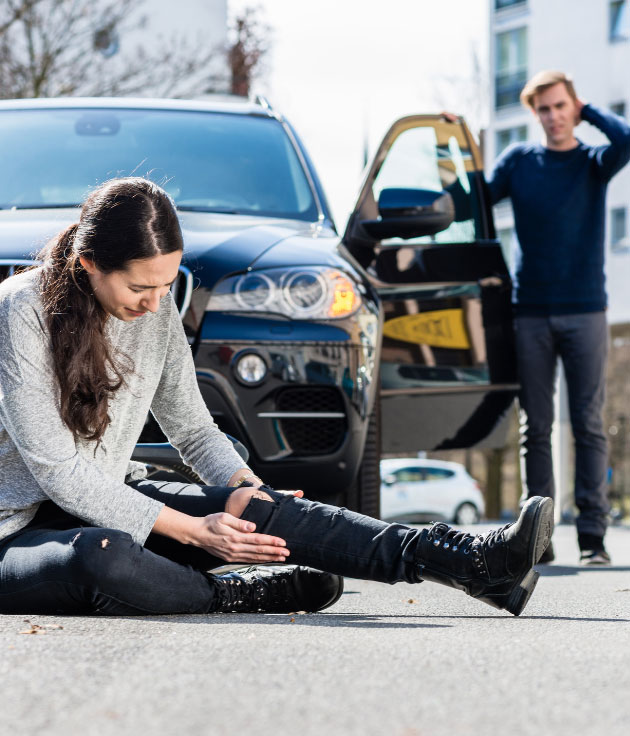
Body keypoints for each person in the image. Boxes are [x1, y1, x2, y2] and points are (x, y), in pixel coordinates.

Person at [0, 177, 553, 617]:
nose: (153, 303)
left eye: (165, 286)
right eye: (140, 288)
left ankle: (473, 562)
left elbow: (192, 430)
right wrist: (195, 530)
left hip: (106, 497)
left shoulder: (156, 310)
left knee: (253, 508)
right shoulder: (20, 309)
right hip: (16, 531)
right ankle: (245, 593)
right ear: (90, 262)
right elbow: (59, 472)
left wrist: (254, 492)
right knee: (102, 557)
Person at [487, 70, 630, 565]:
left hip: (586, 310)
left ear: (573, 106)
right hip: (530, 312)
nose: (552, 116)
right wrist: (452, 141)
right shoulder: (520, 162)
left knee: (588, 424)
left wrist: (589, 109)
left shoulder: (594, 162)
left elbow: (627, 139)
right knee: (537, 428)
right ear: (535, 115)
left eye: (560, 106)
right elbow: (476, 198)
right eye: (543, 109)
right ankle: (538, 538)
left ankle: (593, 537)